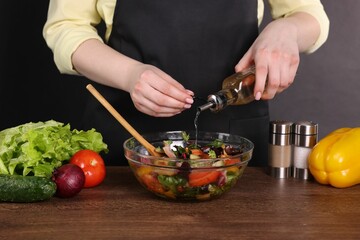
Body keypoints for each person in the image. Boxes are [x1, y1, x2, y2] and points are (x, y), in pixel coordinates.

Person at [43, 0, 329, 166]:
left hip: (235, 144)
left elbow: (310, 15)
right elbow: (65, 27)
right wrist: (130, 75)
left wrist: (286, 29)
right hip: (123, 140)